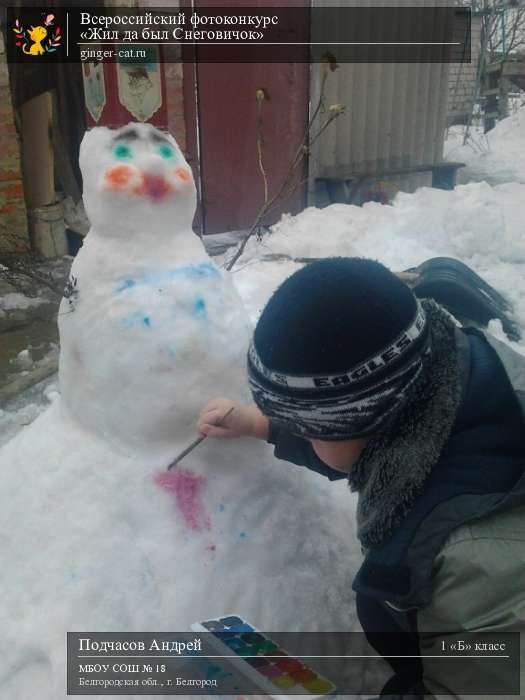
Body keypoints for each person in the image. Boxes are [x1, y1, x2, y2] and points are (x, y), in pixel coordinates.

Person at [197, 257, 525, 698]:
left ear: (374, 421)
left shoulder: (478, 565)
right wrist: (262, 424)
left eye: (310, 431)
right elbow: (353, 447)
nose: (306, 439)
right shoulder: (450, 373)